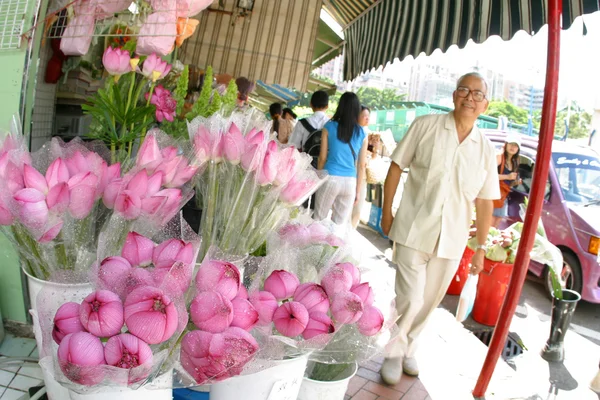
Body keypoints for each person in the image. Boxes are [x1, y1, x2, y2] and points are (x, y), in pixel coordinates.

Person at [380, 72, 500, 385]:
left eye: (477, 94)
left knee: (430, 300)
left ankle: (409, 348)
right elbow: (396, 167)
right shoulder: (426, 126)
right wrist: (386, 212)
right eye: (464, 90)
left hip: (453, 238)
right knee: (409, 297)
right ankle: (393, 353)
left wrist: (481, 248)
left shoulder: (485, 149)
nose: (470, 98)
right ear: (454, 95)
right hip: (412, 228)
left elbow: (486, 202)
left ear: (485, 104)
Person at [313, 92, 368, 225]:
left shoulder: (329, 127)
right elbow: (361, 166)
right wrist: (358, 191)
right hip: (350, 182)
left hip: (330, 177)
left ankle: (314, 246)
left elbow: (322, 158)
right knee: (338, 226)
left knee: (318, 221)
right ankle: (333, 246)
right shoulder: (362, 133)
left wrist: (319, 179)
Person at [492, 133, 521, 227]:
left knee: (498, 220)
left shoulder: (515, 161)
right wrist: (507, 176)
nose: (513, 147)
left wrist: (515, 182)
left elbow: (508, 183)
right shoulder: (499, 156)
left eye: (516, 146)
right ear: (506, 144)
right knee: (490, 221)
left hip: (503, 195)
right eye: (511, 144)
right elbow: (488, 175)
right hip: (492, 193)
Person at [351, 105, 371, 228]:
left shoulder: (367, 134)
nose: (367, 119)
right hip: (353, 176)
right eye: (364, 116)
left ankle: (347, 234)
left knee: (355, 211)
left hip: (359, 177)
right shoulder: (360, 134)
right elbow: (361, 164)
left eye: (368, 116)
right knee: (353, 211)